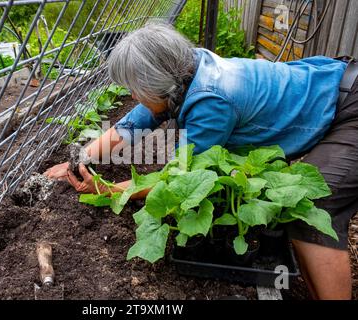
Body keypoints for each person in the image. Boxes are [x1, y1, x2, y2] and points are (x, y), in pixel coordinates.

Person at [44, 23, 358, 300]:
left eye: (135, 91)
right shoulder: (183, 70)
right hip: (333, 84)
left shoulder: (211, 100)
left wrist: (110, 190)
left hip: (349, 107)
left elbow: (181, 180)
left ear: (157, 85)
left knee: (313, 209)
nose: (133, 97)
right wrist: (81, 157)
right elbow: (135, 122)